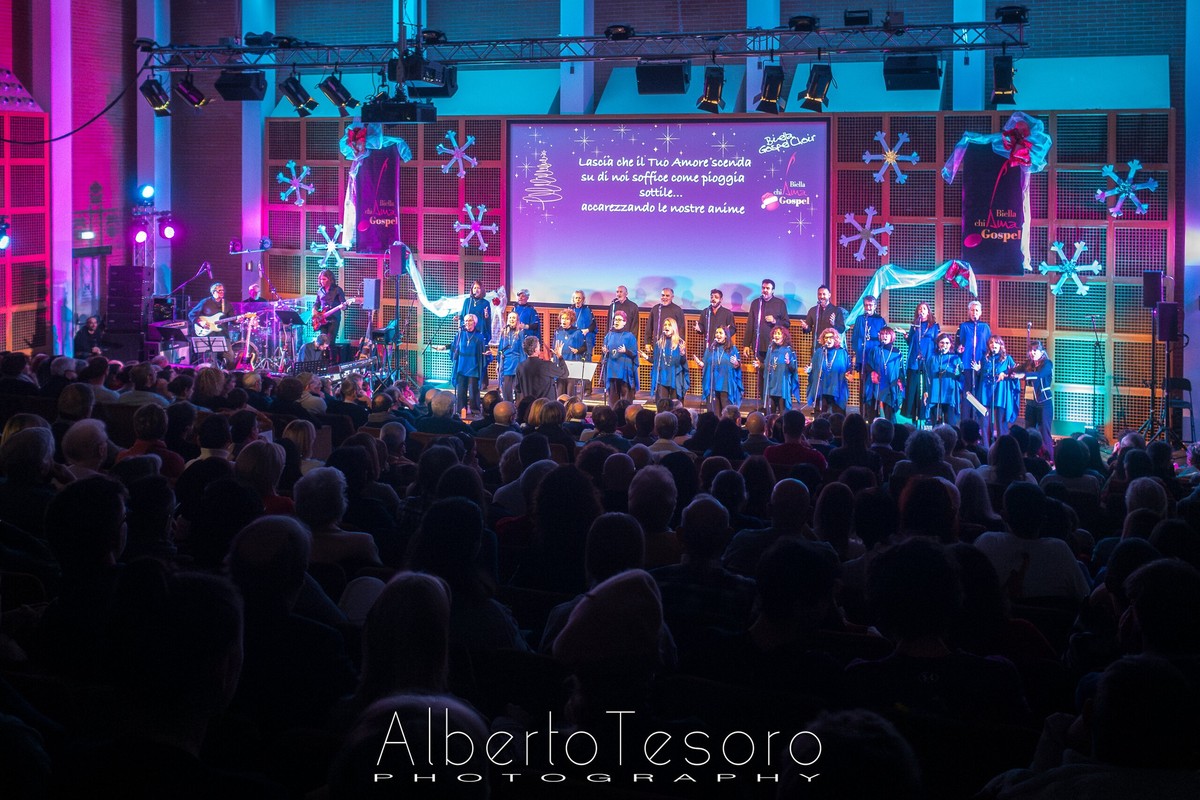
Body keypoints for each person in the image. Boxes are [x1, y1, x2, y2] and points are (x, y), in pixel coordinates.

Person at [1010, 339, 1054, 450]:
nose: (1033, 353)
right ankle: (1030, 456)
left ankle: (1049, 459)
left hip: (1043, 404)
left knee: (1044, 434)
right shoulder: (1028, 364)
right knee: (1028, 432)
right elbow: (1017, 369)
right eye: (1031, 350)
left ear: (1042, 352)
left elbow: (1039, 375)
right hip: (1030, 404)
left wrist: (1023, 375)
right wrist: (1008, 372)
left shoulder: (1047, 364)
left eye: (1035, 350)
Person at [956, 299, 991, 430]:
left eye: (977, 310)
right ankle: (965, 427)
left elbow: (989, 346)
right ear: (968, 312)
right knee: (967, 395)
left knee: (979, 395)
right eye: (972, 310)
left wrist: (983, 365)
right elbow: (957, 345)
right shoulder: (963, 326)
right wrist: (959, 349)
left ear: (980, 312)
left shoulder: (985, 327)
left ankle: (979, 427)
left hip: (981, 367)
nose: (974, 312)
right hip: (967, 366)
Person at [901, 301, 939, 424]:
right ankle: (914, 418)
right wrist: (906, 337)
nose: (921, 311)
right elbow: (910, 343)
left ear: (928, 311)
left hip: (927, 361)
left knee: (926, 390)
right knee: (914, 389)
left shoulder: (934, 326)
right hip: (914, 361)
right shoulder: (914, 326)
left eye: (924, 309)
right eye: (919, 309)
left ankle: (927, 417)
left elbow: (937, 343)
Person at [849, 295, 886, 411]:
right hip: (862, 357)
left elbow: (884, 339)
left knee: (875, 386)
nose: (868, 307)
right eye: (866, 305)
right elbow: (855, 338)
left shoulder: (880, 320)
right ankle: (863, 411)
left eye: (870, 305)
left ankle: (874, 412)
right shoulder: (860, 319)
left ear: (875, 306)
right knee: (863, 386)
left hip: (875, 359)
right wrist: (857, 353)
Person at [697, 325, 742, 416]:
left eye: (720, 333)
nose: (718, 335)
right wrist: (701, 364)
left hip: (725, 384)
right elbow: (705, 363)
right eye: (716, 333)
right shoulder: (710, 349)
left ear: (726, 335)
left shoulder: (732, 349)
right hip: (712, 384)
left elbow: (737, 365)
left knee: (726, 413)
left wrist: (737, 364)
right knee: (714, 413)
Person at [980, 334, 1018, 442]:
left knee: (1001, 424)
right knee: (984, 424)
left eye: (996, 343)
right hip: (986, 393)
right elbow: (980, 375)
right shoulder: (985, 358)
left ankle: (1002, 448)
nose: (993, 345)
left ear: (1001, 345)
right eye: (991, 343)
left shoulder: (1007, 359)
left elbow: (1015, 374)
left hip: (1000, 393)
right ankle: (986, 449)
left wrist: (1005, 374)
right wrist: (978, 370)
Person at [865, 325, 905, 421]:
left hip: (890, 384)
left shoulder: (897, 352)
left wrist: (901, 381)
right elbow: (868, 365)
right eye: (882, 334)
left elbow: (901, 369)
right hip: (877, 384)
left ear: (892, 336)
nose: (885, 336)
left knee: (889, 414)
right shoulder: (875, 350)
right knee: (873, 412)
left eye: (887, 334)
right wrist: (872, 373)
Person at [806, 327, 850, 415]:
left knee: (838, 415)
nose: (828, 340)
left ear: (835, 339)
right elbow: (813, 369)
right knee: (820, 415)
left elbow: (848, 368)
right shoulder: (819, 352)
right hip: (822, 388)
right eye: (826, 338)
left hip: (836, 387)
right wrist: (809, 370)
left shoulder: (842, 352)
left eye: (831, 337)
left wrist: (849, 374)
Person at [924, 332, 963, 426]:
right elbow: (927, 375)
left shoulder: (955, 358)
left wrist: (957, 372)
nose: (944, 345)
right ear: (938, 344)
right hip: (934, 393)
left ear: (950, 345)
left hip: (949, 393)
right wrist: (926, 391)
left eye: (947, 343)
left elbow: (961, 376)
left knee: (950, 424)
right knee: (935, 425)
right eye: (942, 342)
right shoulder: (932, 358)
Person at [451, 313, 486, 414]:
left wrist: (487, 355)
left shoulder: (479, 336)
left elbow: (483, 352)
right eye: (466, 321)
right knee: (461, 390)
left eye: (470, 320)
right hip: (461, 367)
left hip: (473, 368)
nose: (467, 323)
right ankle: (461, 410)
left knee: (473, 391)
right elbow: (454, 349)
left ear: (475, 323)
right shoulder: (460, 335)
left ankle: (475, 411)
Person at [747, 278, 789, 363]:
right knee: (759, 373)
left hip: (775, 345)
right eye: (763, 288)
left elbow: (787, 324)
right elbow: (750, 325)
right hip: (758, 345)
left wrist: (774, 321)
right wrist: (746, 345)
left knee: (772, 371)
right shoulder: (756, 303)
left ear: (773, 290)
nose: (765, 290)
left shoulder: (780, 303)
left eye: (768, 288)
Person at [601, 309, 639, 404]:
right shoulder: (609, 336)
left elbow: (634, 353)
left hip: (624, 372)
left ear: (624, 322)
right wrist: (605, 351)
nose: (616, 321)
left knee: (625, 400)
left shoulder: (629, 336)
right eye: (615, 319)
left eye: (619, 319)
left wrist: (626, 351)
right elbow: (605, 354)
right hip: (612, 371)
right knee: (613, 401)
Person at [648, 316, 688, 403]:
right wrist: (647, 358)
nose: (666, 326)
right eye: (665, 325)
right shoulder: (659, 343)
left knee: (675, 404)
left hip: (675, 375)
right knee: (663, 403)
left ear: (673, 327)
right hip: (663, 377)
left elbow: (683, 363)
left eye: (669, 325)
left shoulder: (680, 343)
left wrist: (682, 354)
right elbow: (656, 361)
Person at [459, 280, 491, 386]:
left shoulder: (485, 303)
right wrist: (458, 318)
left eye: (478, 288)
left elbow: (487, 319)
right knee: (469, 355)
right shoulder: (467, 301)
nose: (475, 290)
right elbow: (464, 315)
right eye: (474, 288)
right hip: (468, 332)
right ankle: (467, 380)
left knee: (480, 356)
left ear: (481, 289)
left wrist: (486, 315)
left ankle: (482, 381)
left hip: (479, 333)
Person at [515, 335, 567, 401]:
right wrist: (559, 356)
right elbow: (565, 373)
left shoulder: (520, 367)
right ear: (536, 349)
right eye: (539, 345)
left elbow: (517, 389)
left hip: (530, 407)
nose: (540, 347)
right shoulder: (546, 365)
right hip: (546, 407)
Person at [760, 324, 798, 414]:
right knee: (771, 413)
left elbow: (793, 369)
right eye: (774, 333)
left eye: (778, 334)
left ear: (784, 336)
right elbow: (767, 366)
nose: (776, 336)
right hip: (772, 385)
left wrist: (789, 363)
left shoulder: (788, 350)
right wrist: (760, 365)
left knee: (782, 413)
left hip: (782, 387)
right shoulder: (770, 349)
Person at [313, 269, 348, 362]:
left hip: (334, 319)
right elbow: (317, 304)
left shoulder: (337, 290)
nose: (321, 281)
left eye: (324, 279)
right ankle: (322, 362)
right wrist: (314, 311)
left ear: (330, 279)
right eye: (320, 279)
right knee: (321, 342)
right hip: (322, 320)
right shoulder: (320, 291)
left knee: (331, 342)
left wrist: (344, 306)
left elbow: (344, 306)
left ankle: (333, 364)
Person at [552, 308, 586, 396]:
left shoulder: (577, 332)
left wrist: (577, 350)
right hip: (560, 365)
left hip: (571, 365)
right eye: (563, 318)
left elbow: (584, 347)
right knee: (559, 392)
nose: (564, 321)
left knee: (570, 393)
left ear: (571, 321)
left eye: (567, 319)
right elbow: (554, 347)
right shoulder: (557, 331)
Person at [495, 311, 525, 401]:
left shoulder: (520, 333)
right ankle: (507, 406)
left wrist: (522, 365)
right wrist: (498, 362)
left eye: (514, 318)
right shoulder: (504, 332)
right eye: (510, 318)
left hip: (516, 362)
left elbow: (522, 350)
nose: (512, 319)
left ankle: (518, 408)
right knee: (506, 387)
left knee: (517, 387)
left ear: (517, 320)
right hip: (506, 363)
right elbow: (500, 348)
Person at [570, 290, 596, 393]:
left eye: (579, 298)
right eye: (576, 298)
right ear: (573, 299)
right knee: (574, 362)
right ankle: (575, 387)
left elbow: (593, 325)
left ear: (583, 299)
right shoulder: (570, 310)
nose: (578, 300)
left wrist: (587, 330)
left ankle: (587, 389)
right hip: (574, 339)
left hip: (586, 339)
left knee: (587, 363)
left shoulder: (587, 310)